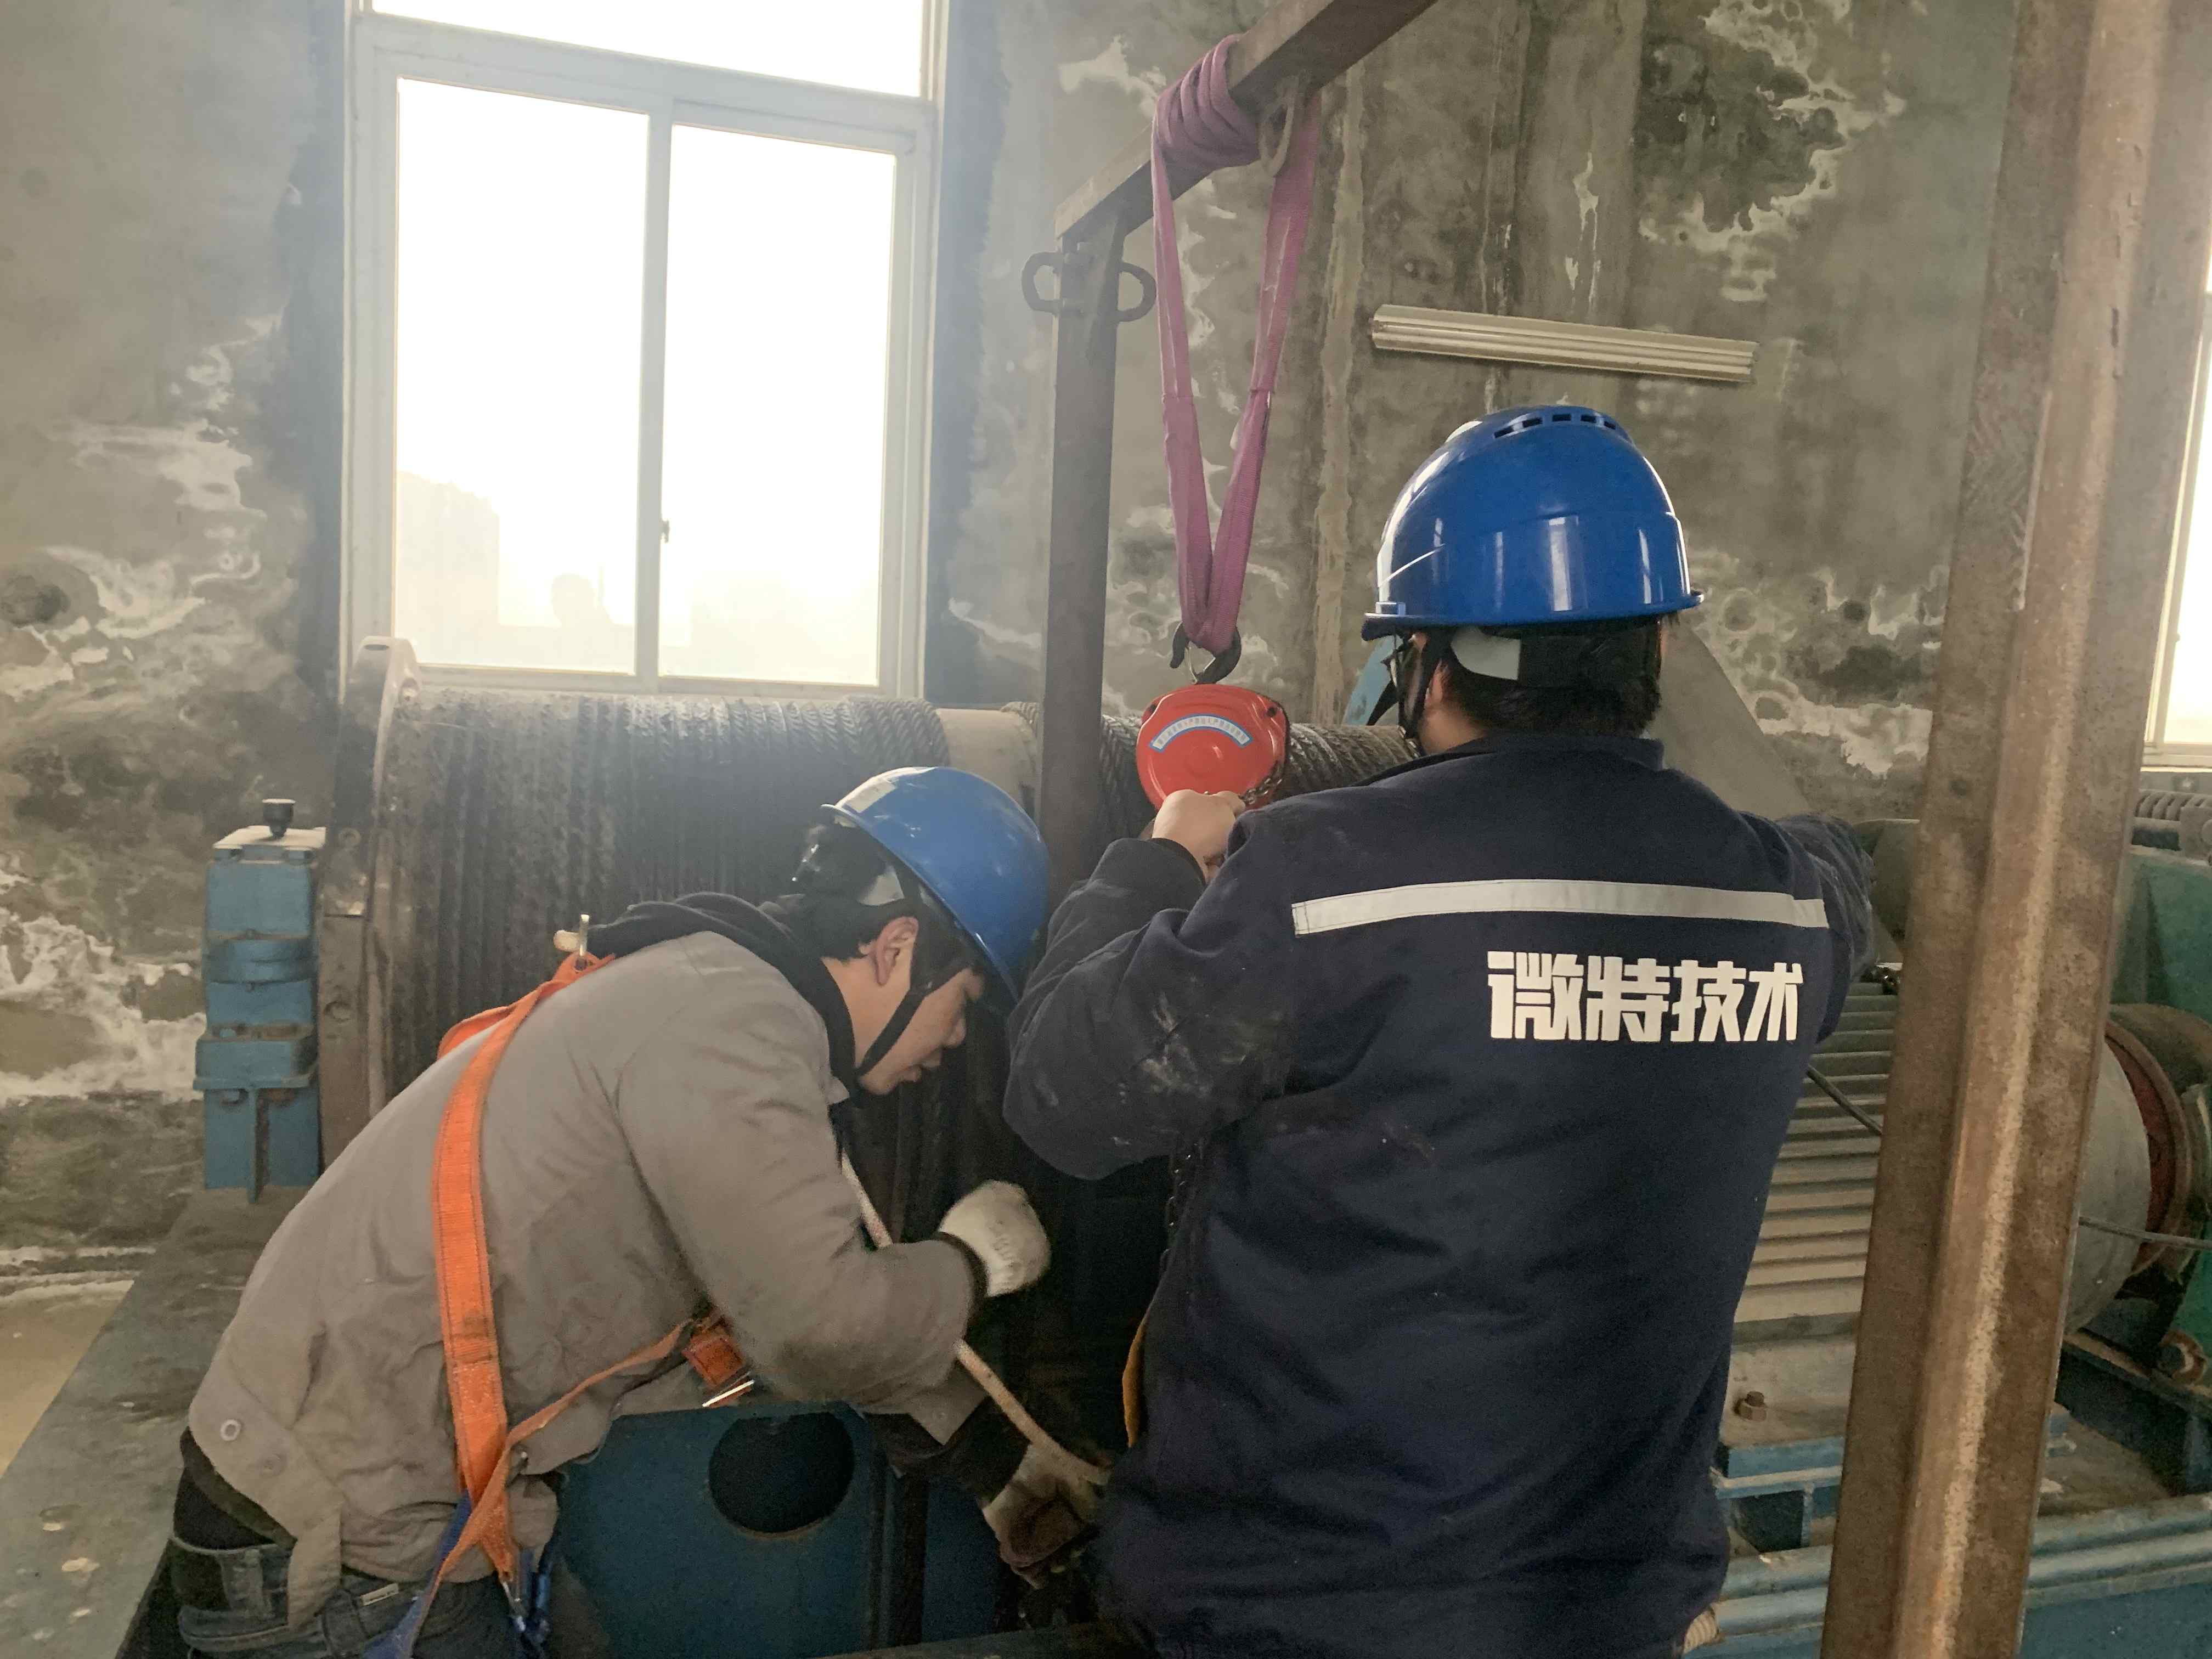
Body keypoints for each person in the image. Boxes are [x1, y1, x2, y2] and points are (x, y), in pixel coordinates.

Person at [1003, 407, 1876, 1659]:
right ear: (1658, 646)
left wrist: (1156, 864)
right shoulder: (1788, 906)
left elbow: (1067, 1094)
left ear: (1425, 662)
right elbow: (1838, 873)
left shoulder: (1321, 879)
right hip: (1611, 1616)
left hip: (1303, 1609)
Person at [171, 767, 1085, 1657]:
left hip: (331, 1505)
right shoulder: (739, 1031)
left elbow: (753, 1315)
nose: (955, 1038)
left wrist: (988, 1458)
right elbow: (819, 1329)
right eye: (965, 1003)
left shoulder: (705, 987)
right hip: (333, 1551)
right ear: (897, 948)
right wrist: (973, 1264)